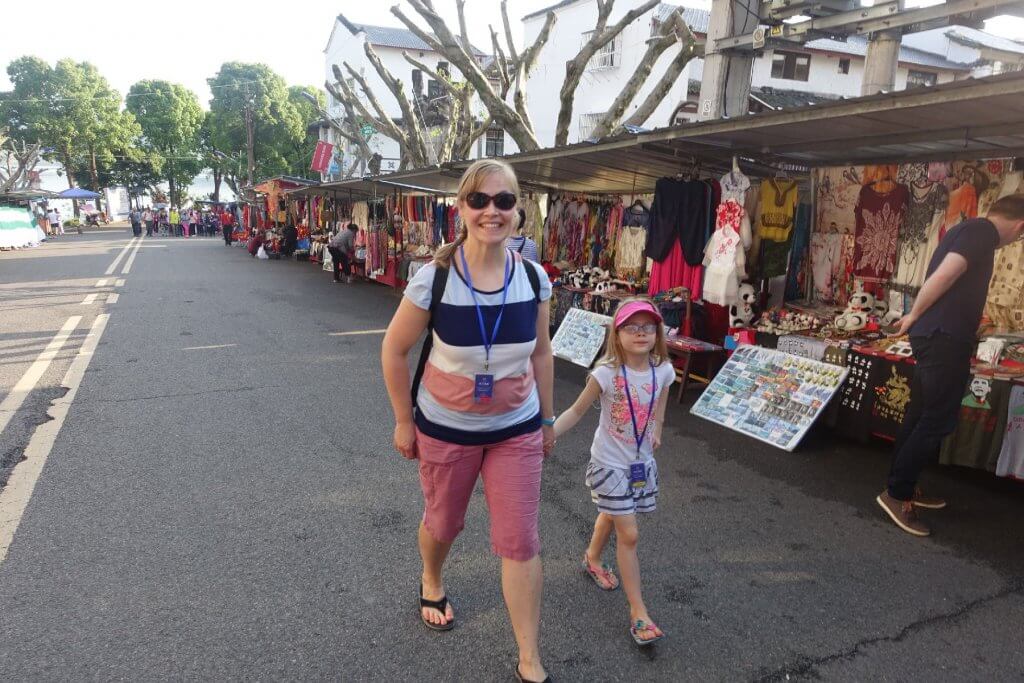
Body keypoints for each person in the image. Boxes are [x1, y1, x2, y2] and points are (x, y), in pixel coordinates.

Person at [381, 159, 554, 683]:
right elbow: (394, 350)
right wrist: (403, 421)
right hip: (445, 428)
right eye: (479, 200)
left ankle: (529, 657)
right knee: (443, 523)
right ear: (460, 208)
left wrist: (545, 420)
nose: (492, 211)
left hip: (516, 430)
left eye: (504, 201)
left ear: (518, 209)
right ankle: (431, 577)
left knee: (520, 540)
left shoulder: (532, 277)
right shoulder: (433, 278)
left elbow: (541, 354)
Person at [880, 194, 1024, 537]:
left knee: (921, 413)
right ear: (1020, 226)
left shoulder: (970, 229)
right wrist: (914, 315)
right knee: (937, 418)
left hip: (939, 335)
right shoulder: (982, 235)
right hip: (942, 338)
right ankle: (897, 492)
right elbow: (945, 276)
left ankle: (903, 484)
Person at [552, 297, 674, 647]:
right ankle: (639, 612)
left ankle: (592, 558)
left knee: (613, 512)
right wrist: (547, 436)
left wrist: (657, 431)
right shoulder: (605, 373)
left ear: (657, 333)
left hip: (639, 463)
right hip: (609, 463)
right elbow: (576, 411)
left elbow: (660, 406)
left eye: (648, 327)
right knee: (630, 533)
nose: (641, 333)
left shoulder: (663, 370)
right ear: (616, 334)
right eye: (632, 327)